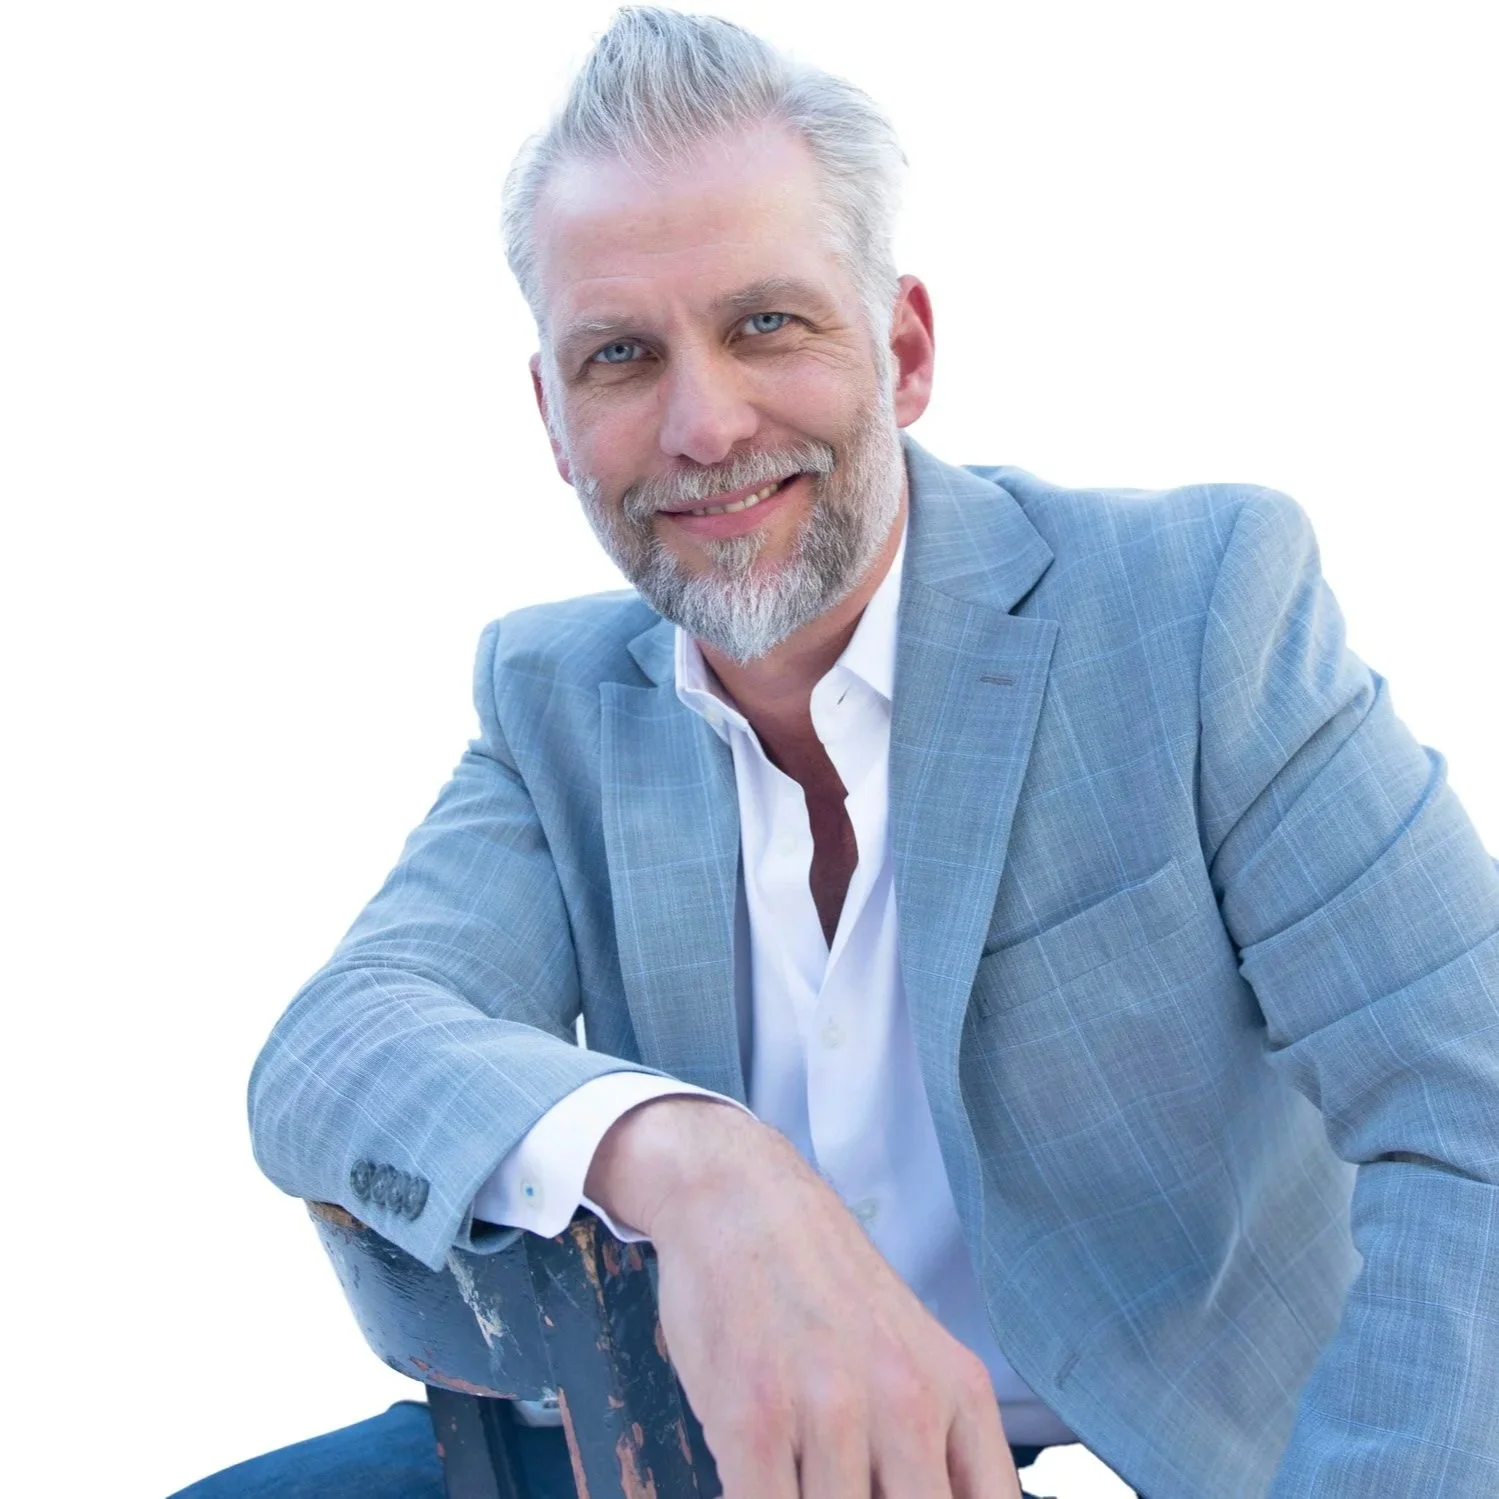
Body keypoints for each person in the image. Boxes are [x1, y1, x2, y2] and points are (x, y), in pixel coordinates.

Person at [179, 7, 1499, 1497]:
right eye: (620, 356)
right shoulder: (553, 696)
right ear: (555, 418)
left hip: (1148, 1452)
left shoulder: (1193, 610)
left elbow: (1467, 1098)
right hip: (721, 1446)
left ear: (903, 347)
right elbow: (338, 1047)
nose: (702, 422)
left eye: (764, 325)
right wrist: (696, 1163)